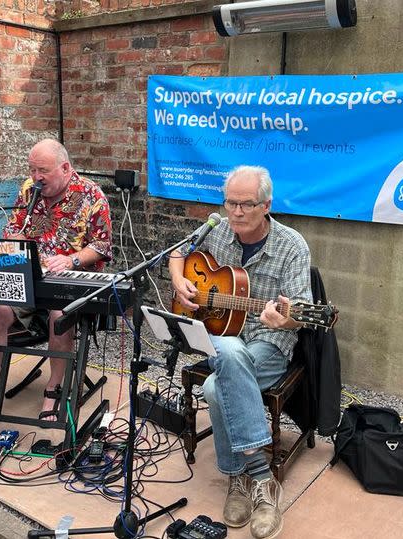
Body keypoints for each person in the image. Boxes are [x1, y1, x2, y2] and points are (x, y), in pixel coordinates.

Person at [169, 165, 311, 539]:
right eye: (230, 202)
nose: (235, 211)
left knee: (216, 387)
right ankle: (261, 480)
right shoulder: (218, 233)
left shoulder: (292, 245)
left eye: (245, 204)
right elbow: (177, 253)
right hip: (222, 335)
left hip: (269, 343)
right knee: (229, 349)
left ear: (266, 205)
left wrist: (285, 319)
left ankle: (238, 476)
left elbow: (300, 313)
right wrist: (179, 281)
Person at [0, 138, 112, 441]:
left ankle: (54, 390)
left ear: (65, 167)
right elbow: (11, 230)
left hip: (69, 281)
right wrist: (14, 246)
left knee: (59, 314)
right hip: (28, 276)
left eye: (43, 171)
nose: (36, 177)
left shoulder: (92, 195)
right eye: (32, 169)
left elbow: (102, 246)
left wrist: (71, 258)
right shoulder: (28, 190)